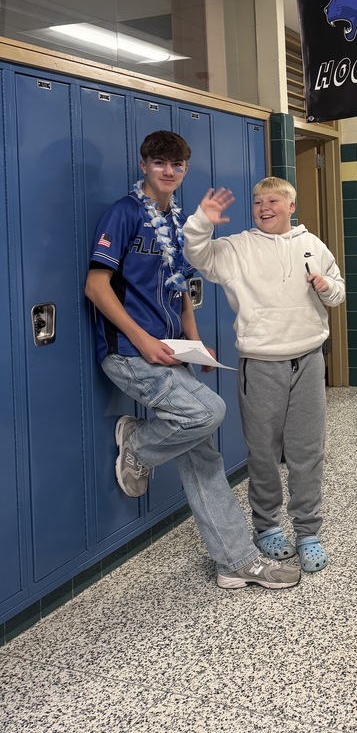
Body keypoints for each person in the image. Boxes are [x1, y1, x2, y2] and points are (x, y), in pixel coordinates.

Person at [84, 131, 300, 591]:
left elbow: (182, 290)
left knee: (204, 458)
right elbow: (97, 287)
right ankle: (138, 444)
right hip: (130, 353)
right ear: (143, 164)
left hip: (172, 352)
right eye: (159, 162)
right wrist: (142, 342)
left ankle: (234, 561)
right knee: (209, 412)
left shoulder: (178, 223)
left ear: (183, 171)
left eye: (177, 165)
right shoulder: (123, 215)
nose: (168, 171)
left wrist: (196, 342)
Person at [182, 177, 346, 573]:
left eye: (272, 200)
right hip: (260, 364)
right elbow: (197, 256)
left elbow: (339, 293)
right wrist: (202, 221)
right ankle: (267, 527)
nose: (264, 207)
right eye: (257, 202)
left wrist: (326, 287)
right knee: (264, 453)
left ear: (291, 206)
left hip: (308, 360)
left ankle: (308, 531)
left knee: (308, 451)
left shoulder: (313, 245)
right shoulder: (237, 247)